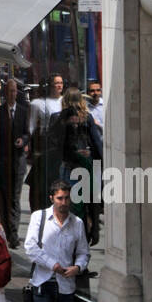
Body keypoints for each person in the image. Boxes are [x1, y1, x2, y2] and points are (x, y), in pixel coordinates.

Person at [51, 86, 103, 243]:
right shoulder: (87, 118)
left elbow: (52, 142)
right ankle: (91, 233)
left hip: (68, 168)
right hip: (85, 168)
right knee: (89, 203)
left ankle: (71, 240)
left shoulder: (58, 118)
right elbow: (97, 144)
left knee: (68, 205)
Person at [0, 78, 30, 247]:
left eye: (15, 91)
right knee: (4, 197)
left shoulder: (23, 111)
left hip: (18, 161)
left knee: (15, 198)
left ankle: (14, 234)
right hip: (3, 161)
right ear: (5, 93)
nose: (12, 94)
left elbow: (27, 133)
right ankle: (6, 232)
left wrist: (23, 141)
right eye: (9, 91)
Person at [26, 75, 65, 213]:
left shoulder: (65, 102)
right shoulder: (38, 104)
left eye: (61, 83)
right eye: (56, 83)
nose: (59, 86)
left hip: (61, 147)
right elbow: (30, 126)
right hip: (45, 146)